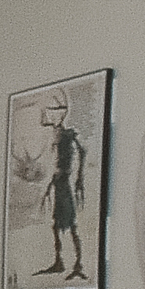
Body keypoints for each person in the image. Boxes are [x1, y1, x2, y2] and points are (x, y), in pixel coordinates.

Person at [44, 105, 87, 277]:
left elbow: (82, 152)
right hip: (58, 184)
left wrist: (78, 178)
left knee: (71, 224)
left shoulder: (67, 136)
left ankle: (78, 264)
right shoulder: (57, 137)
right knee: (56, 225)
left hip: (64, 185)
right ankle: (59, 262)